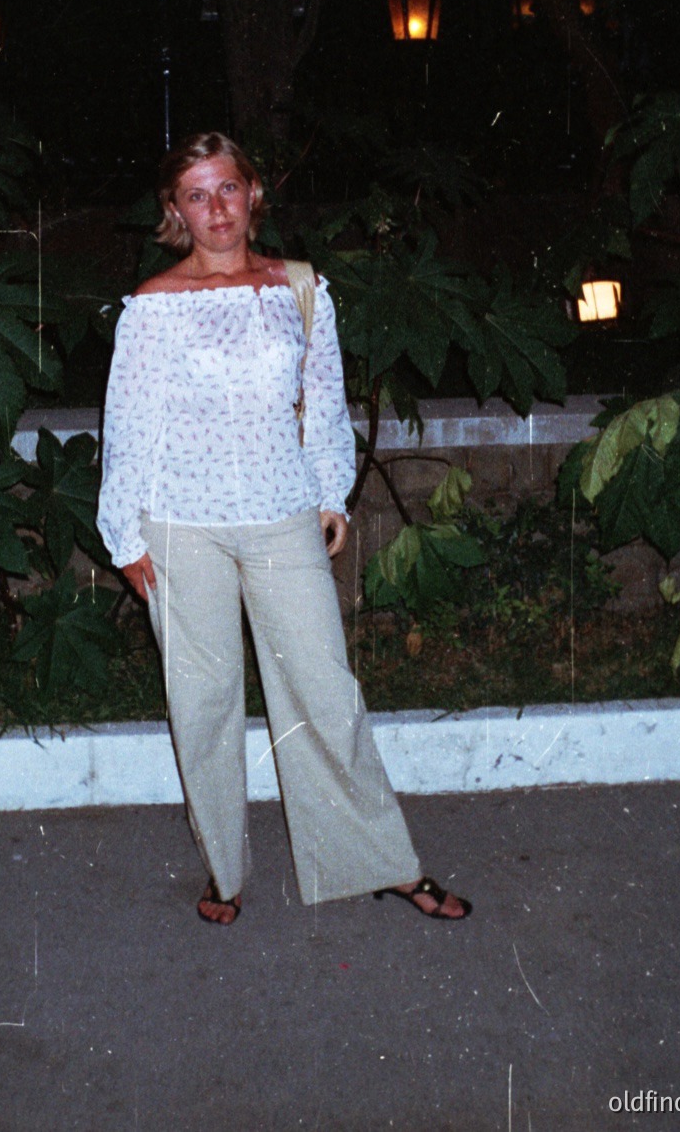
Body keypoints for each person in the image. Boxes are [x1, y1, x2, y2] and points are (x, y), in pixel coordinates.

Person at [97, 131, 470, 926]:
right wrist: (123, 537)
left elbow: (323, 401)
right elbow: (128, 429)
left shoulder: (300, 287)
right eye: (195, 195)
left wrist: (330, 492)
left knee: (324, 691)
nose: (215, 209)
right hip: (179, 524)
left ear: (252, 192)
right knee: (202, 702)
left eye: (227, 188)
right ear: (174, 210)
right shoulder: (153, 304)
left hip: (281, 516)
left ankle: (380, 861)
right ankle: (224, 870)